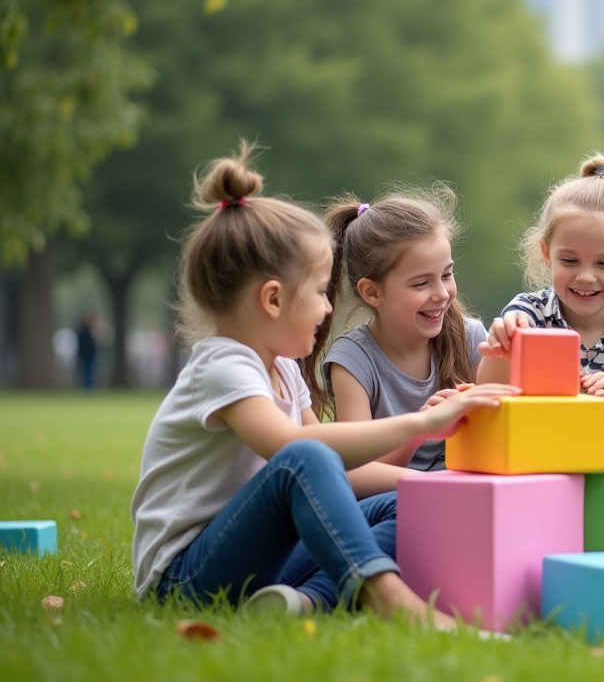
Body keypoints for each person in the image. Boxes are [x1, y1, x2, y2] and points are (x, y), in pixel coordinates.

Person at [130, 142, 518, 623]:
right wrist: (423, 424)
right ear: (273, 300)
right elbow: (298, 450)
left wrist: (435, 485)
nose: (329, 308)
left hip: (261, 562)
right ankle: (390, 600)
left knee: (410, 508)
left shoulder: (283, 368)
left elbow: (338, 465)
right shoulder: (223, 365)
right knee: (306, 457)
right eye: (318, 293)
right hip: (185, 580)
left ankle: (304, 601)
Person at [477, 154, 604, 549]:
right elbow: (487, 395)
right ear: (546, 253)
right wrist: (502, 351)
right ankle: (535, 547)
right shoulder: (528, 313)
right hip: (538, 454)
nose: (586, 276)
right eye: (569, 260)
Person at [300, 187, 487, 480]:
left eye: (446, 275)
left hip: (467, 489)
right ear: (372, 292)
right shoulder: (353, 360)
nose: (442, 294)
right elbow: (357, 472)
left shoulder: (469, 336)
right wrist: (420, 430)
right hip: (391, 497)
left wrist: (505, 349)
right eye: (421, 283)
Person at [75, 310, 98, 390]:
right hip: (86, 355)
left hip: (90, 355)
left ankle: (89, 387)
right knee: (87, 372)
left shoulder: (88, 331)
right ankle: (87, 388)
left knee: (90, 372)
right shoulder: (84, 331)